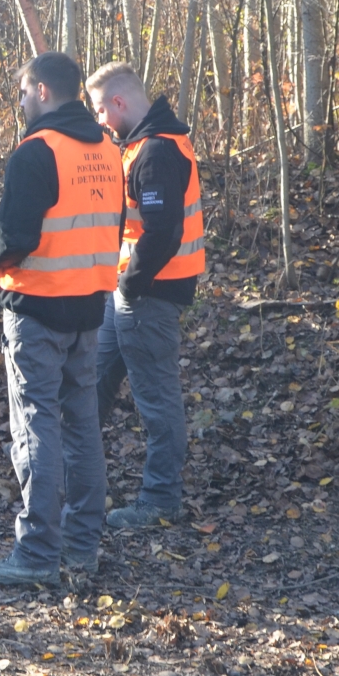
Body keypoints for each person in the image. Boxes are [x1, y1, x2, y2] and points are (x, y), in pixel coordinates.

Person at [0, 51, 124, 586]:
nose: (21, 101)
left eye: (22, 92)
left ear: (40, 90)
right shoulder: (107, 148)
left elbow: (16, 242)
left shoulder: (35, 153)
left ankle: (34, 556)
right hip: (88, 309)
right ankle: (81, 550)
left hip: (37, 309)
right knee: (83, 427)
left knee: (36, 428)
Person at [84, 62, 206, 529]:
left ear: (118, 103)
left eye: (99, 111)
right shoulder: (143, 146)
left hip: (148, 295)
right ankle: (76, 480)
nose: (99, 122)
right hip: (132, 292)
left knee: (156, 401)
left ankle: (160, 502)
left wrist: (131, 283)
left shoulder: (155, 152)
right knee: (94, 384)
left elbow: (162, 233)